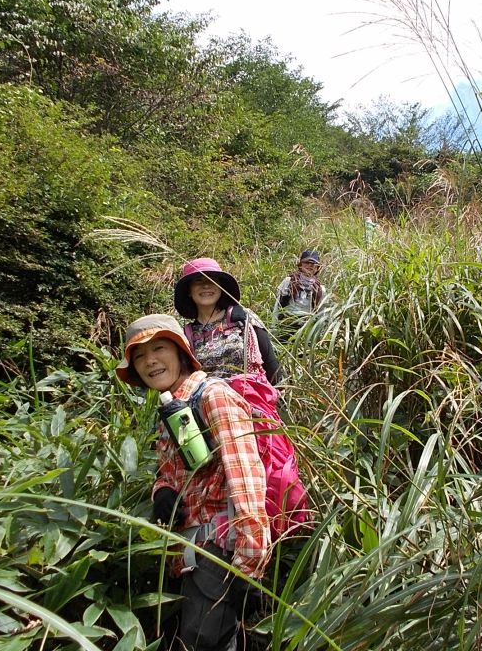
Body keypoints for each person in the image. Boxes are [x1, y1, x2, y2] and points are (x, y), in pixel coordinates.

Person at [116, 314, 270, 651]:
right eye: (139, 356)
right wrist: (163, 491)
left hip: (221, 553)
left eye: (158, 349)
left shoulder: (212, 395)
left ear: (182, 352)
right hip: (190, 552)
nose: (149, 361)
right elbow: (169, 471)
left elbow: (246, 477)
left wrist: (250, 566)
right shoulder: (172, 406)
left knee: (200, 642)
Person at [174, 258, 281, 385]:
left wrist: (280, 395)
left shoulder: (242, 318)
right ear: (189, 291)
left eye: (212, 280)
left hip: (250, 398)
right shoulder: (187, 335)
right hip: (209, 402)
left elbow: (270, 364)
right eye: (198, 281)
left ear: (221, 287)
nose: (206, 285)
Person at [272, 250, 325, 335]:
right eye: (306, 263)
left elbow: (322, 312)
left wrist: (320, 333)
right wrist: (274, 327)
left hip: (306, 326)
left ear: (317, 268)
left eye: (313, 264)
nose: (309, 266)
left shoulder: (320, 289)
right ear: (300, 265)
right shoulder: (289, 281)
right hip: (287, 323)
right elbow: (277, 305)